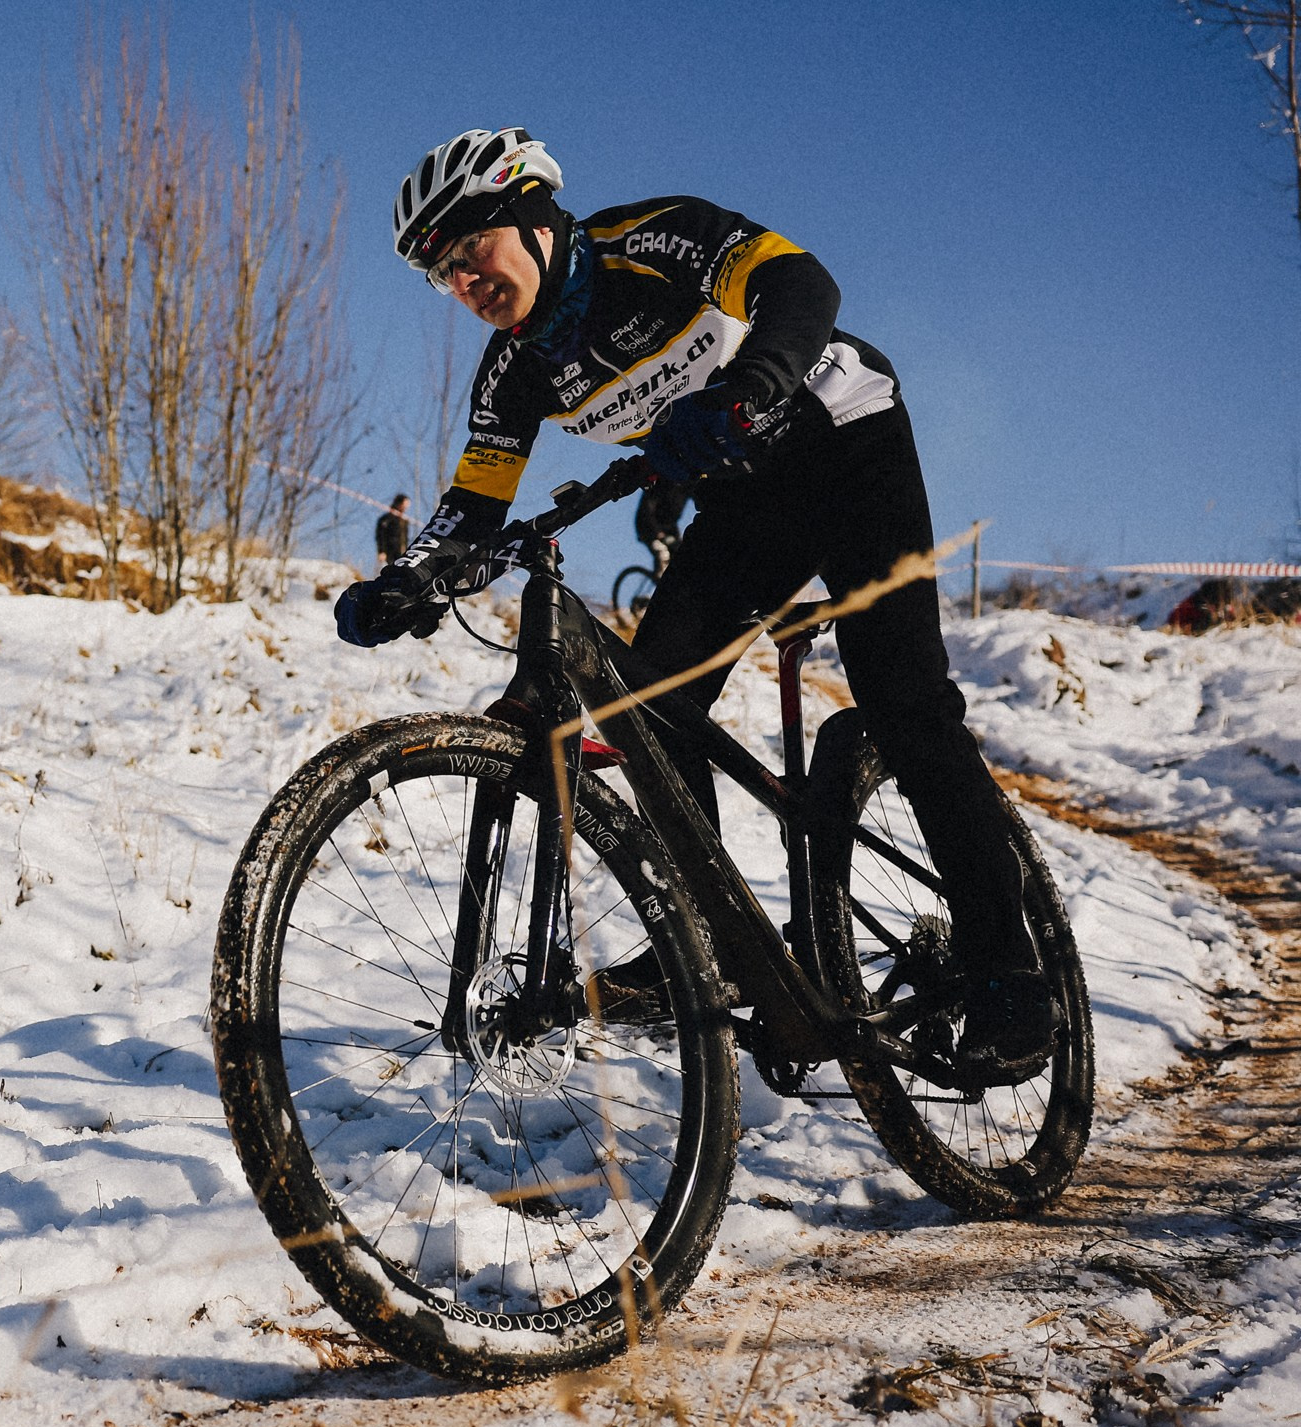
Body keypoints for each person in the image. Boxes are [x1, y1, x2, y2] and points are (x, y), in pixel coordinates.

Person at [336, 127, 1058, 1079]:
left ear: (533, 215)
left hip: (845, 443)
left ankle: (1010, 971)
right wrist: (412, 579)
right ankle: (717, 942)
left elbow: (803, 288)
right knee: (648, 705)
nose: (466, 285)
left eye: (471, 253)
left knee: (905, 701)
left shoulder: (652, 241)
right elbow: (471, 506)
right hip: (747, 503)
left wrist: (752, 387)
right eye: (444, 277)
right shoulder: (515, 372)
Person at [374, 493, 413, 565]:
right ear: (399, 503)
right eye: (405, 505)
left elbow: (405, 538)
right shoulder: (386, 519)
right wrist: (381, 551)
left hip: (401, 552)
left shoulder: (404, 521)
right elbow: (380, 535)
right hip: (389, 551)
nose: (406, 507)